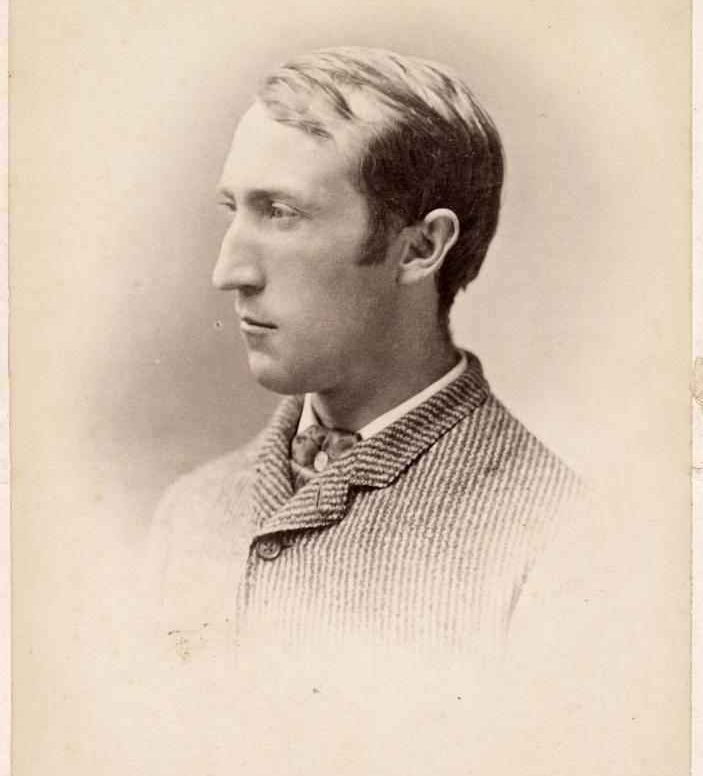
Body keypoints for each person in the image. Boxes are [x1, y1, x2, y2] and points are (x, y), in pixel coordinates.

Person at [147, 46, 583, 669]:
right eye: (233, 209)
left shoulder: (555, 542)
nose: (227, 271)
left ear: (420, 247)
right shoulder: (187, 515)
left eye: (282, 212)